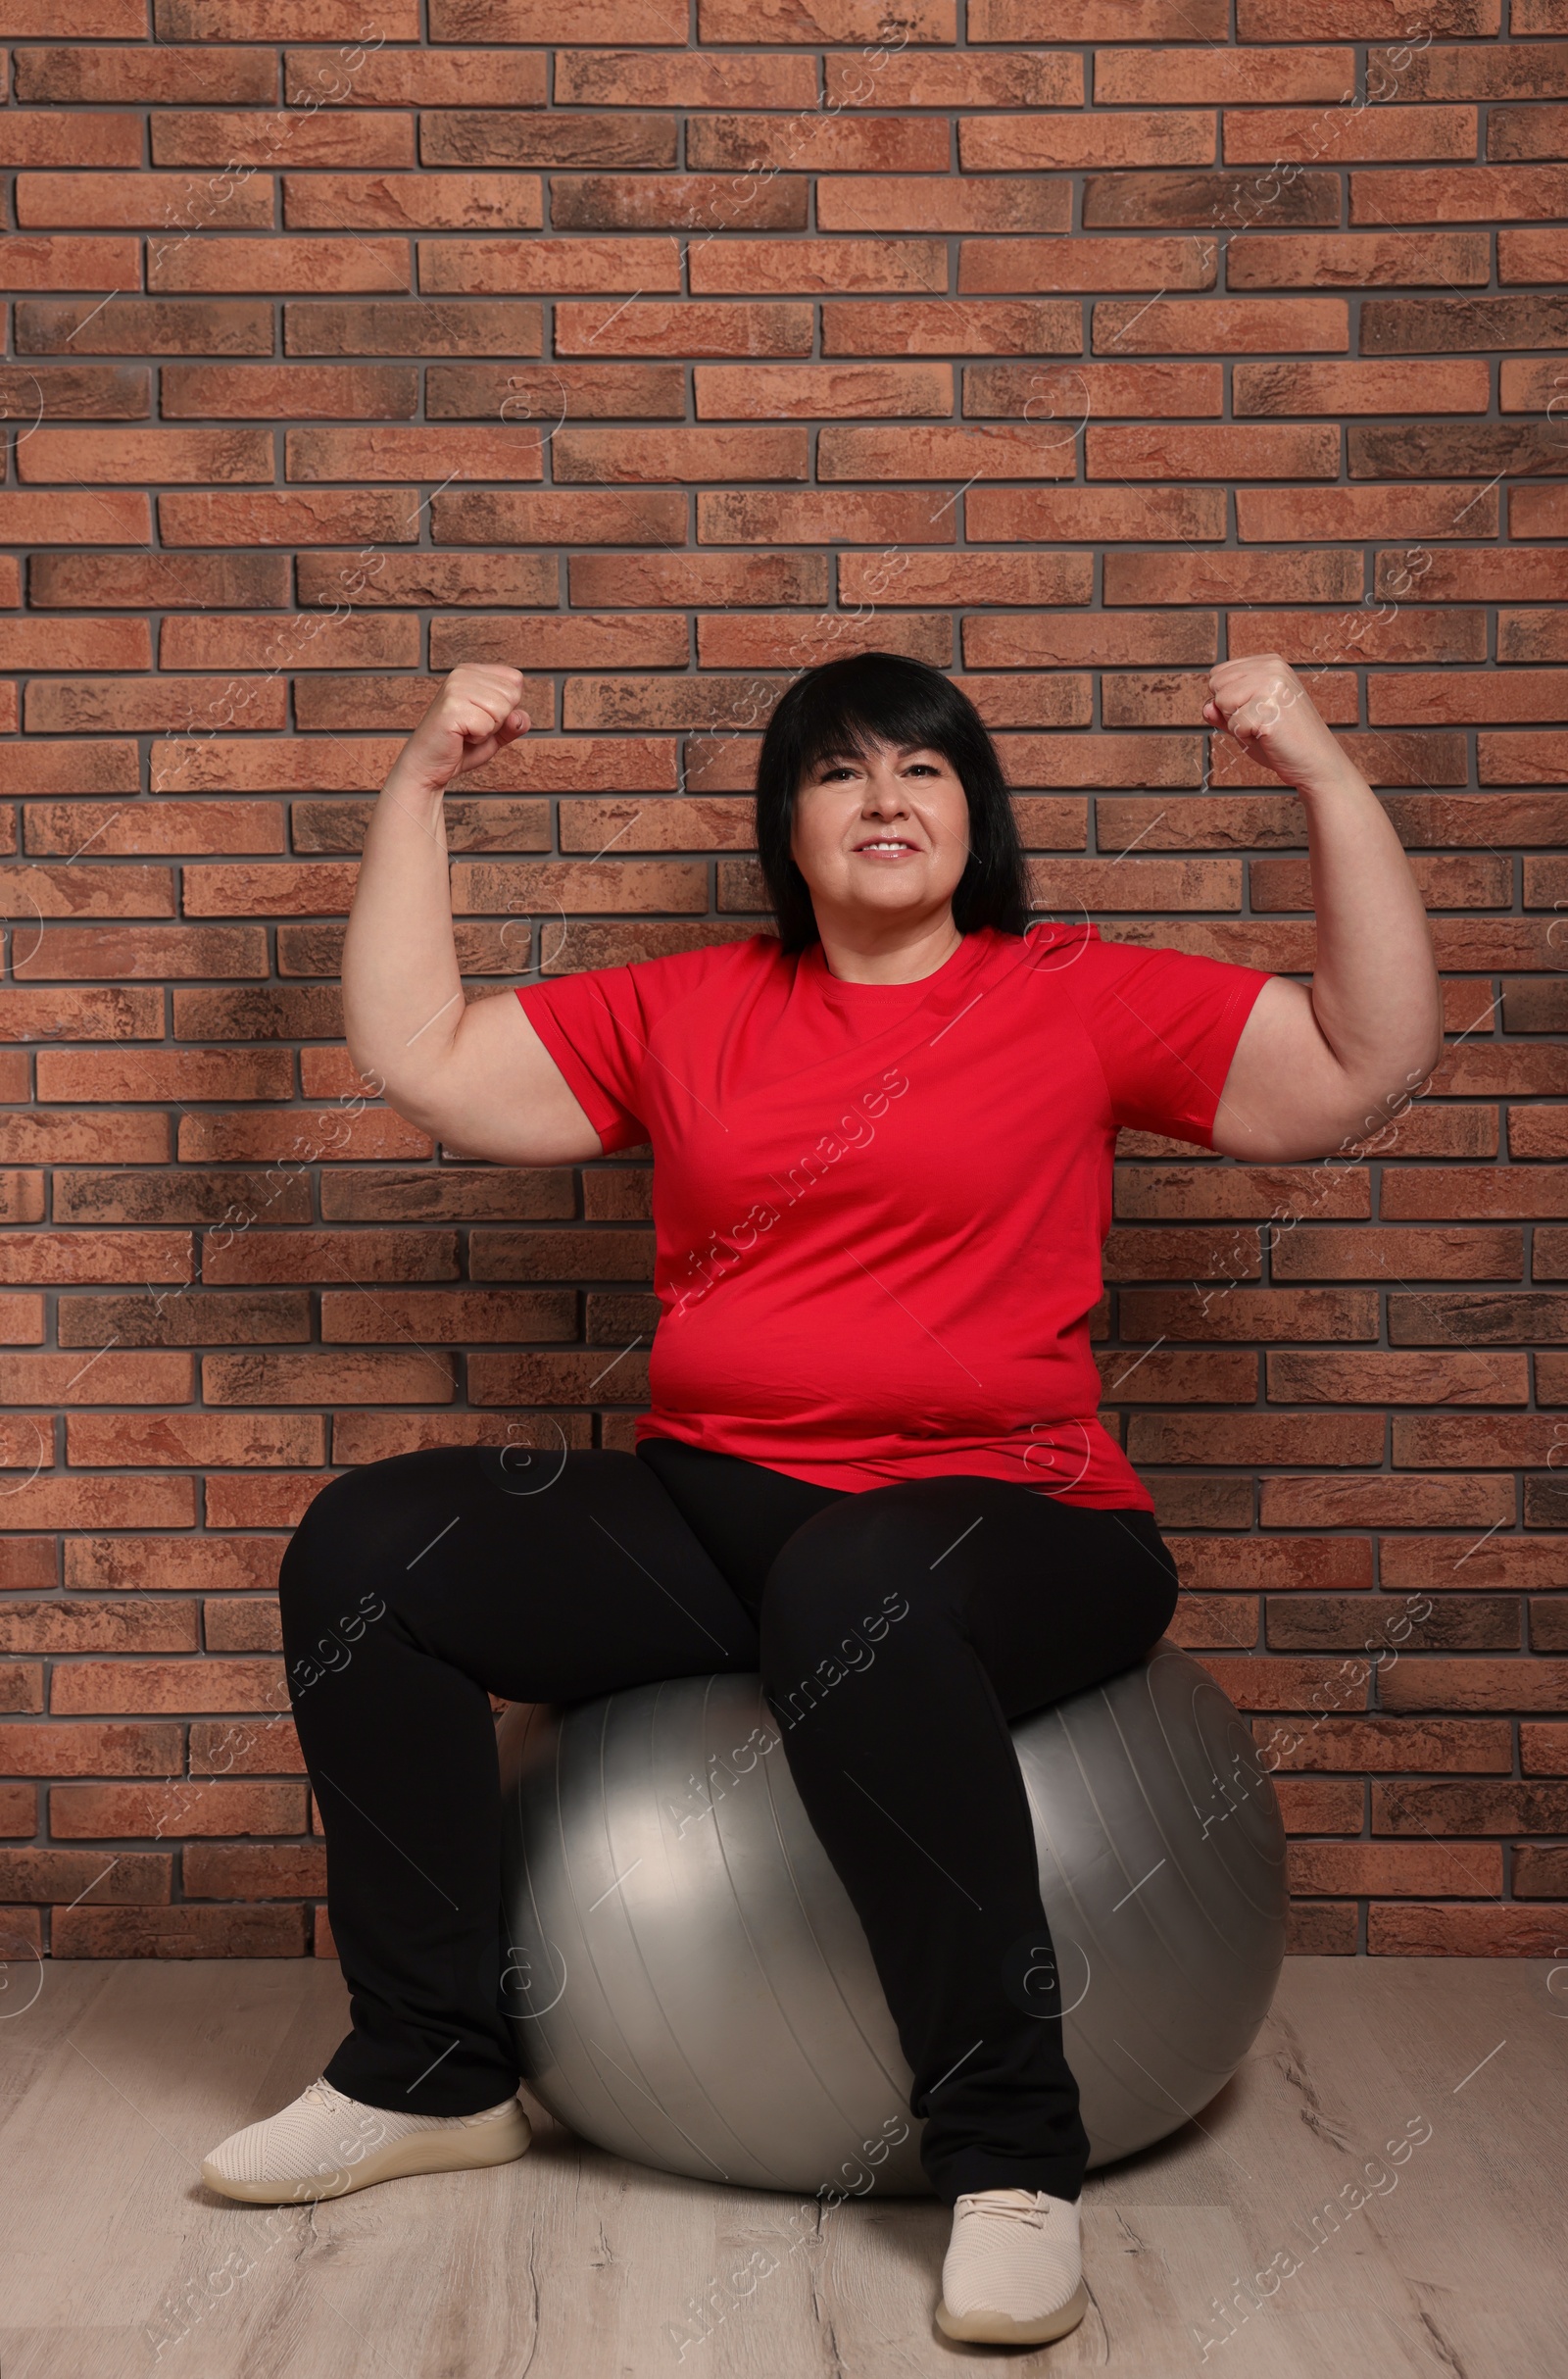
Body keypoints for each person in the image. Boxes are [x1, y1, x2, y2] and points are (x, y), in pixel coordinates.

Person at [201, 649, 1442, 2349]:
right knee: (369, 1547)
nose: (884, 800)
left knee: (862, 1582)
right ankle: (428, 2069)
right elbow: (424, 1054)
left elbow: (1365, 1060)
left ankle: (1013, 2152)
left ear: (972, 817)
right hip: (726, 1506)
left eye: (924, 772)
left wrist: (1317, 771)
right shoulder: (689, 1006)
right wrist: (416, 786)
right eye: (841, 772)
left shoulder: (1070, 993)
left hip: (1026, 1519)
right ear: (788, 824)